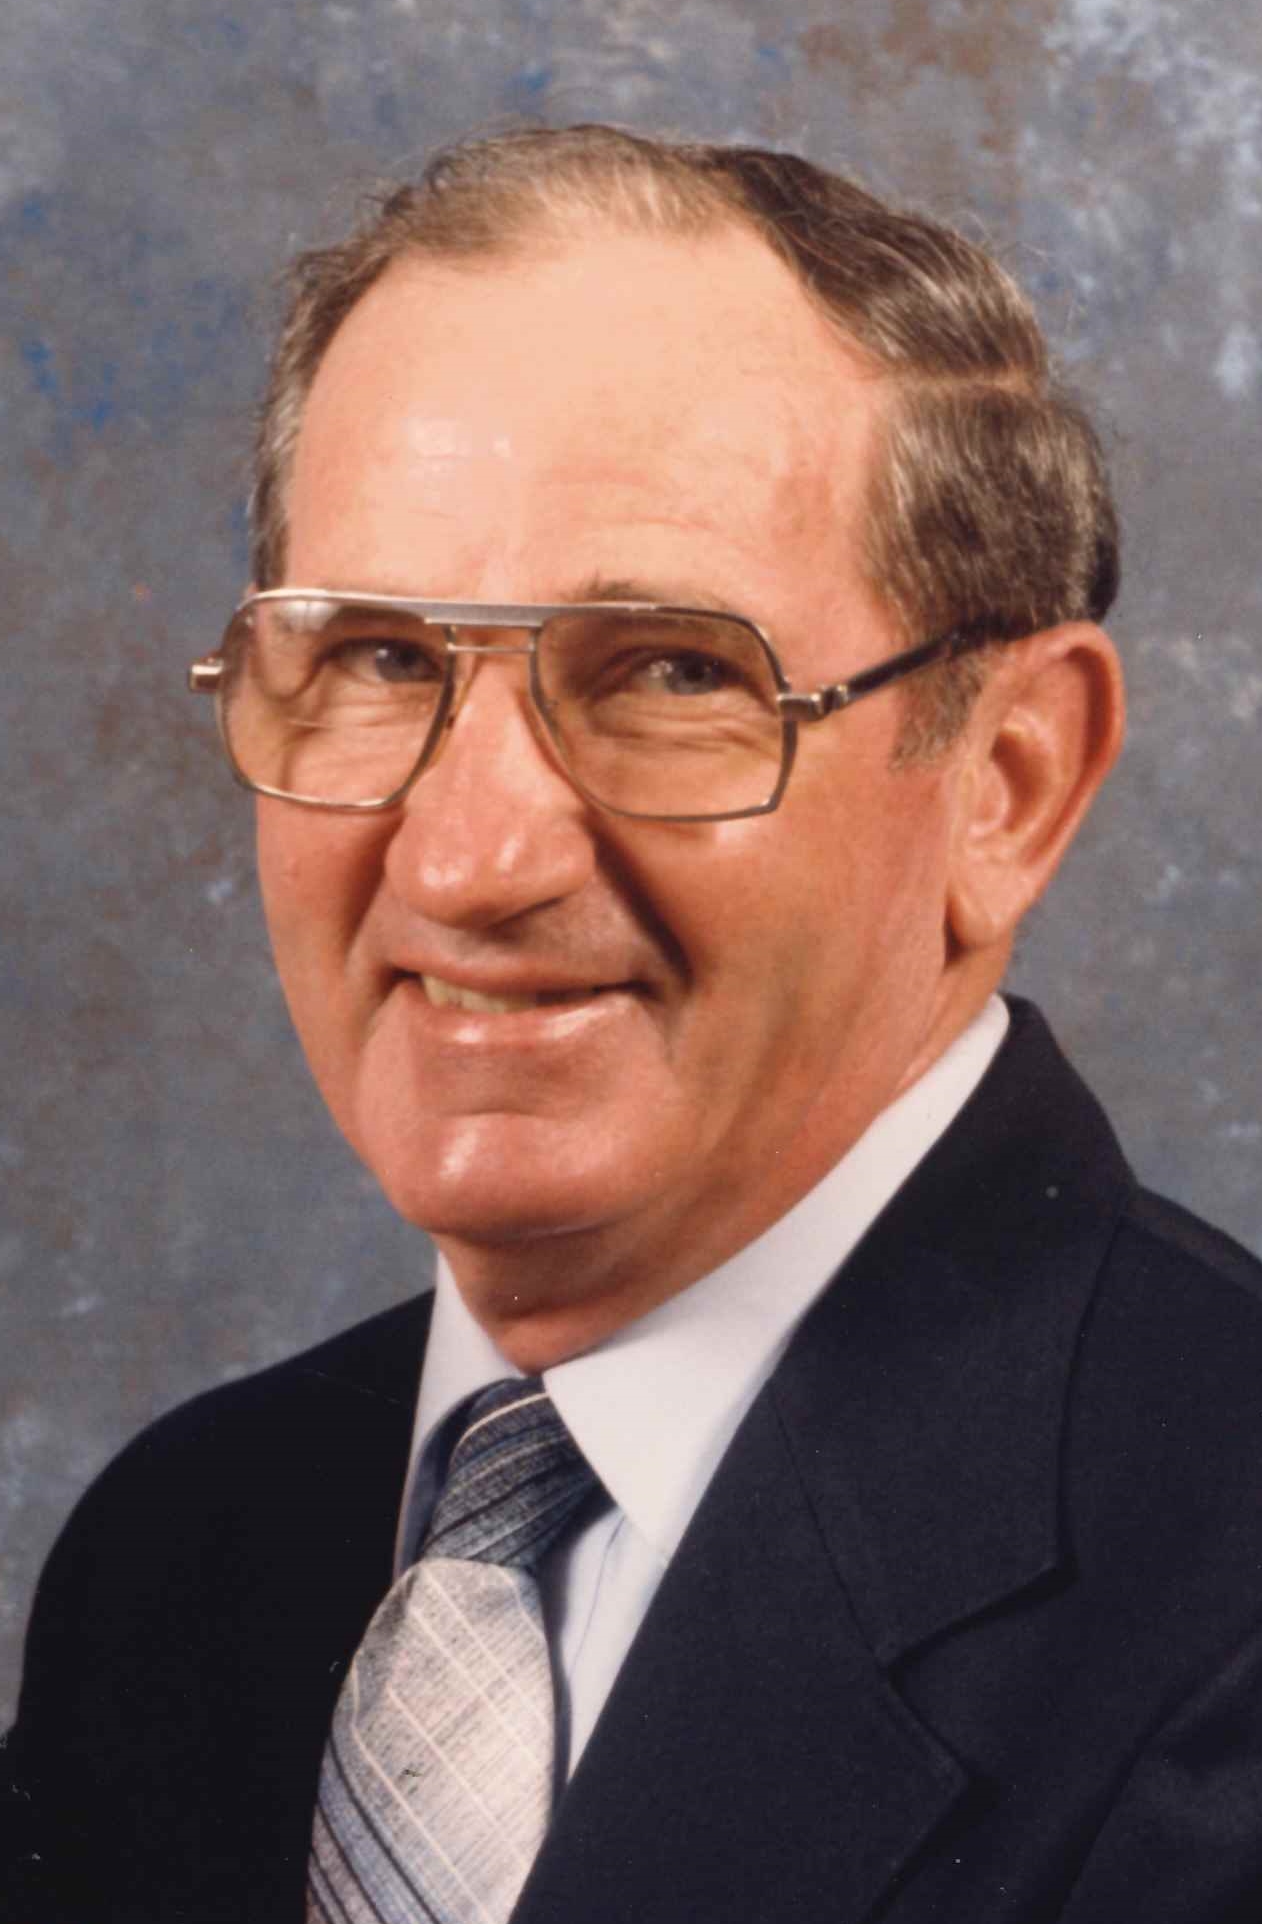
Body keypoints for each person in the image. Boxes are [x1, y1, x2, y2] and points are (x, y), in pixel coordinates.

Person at [3, 124, 1261, 1924]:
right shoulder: (187, 1549)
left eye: (674, 673)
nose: (469, 859)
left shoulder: (1222, 1616)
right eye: (378, 659)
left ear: (1006, 780)